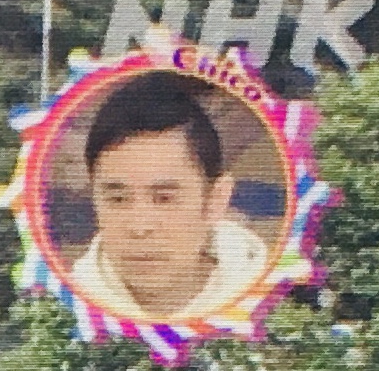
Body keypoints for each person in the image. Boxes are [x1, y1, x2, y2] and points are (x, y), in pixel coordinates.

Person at [67, 71, 269, 322]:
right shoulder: (62, 306)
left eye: (164, 199)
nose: (140, 228)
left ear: (215, 200)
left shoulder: (273, 301)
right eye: (117, 199)